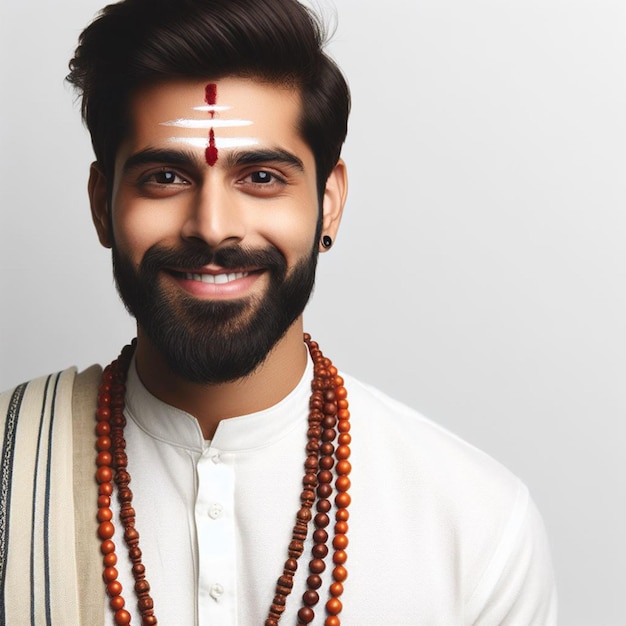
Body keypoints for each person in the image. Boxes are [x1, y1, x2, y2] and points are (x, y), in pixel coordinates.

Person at [0, 0, 557, 624]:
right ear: (103, 204)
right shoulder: (11, 466)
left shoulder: (475, 526)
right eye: (164, 177)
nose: (213, 228)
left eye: (261, 177)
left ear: (330, 203)